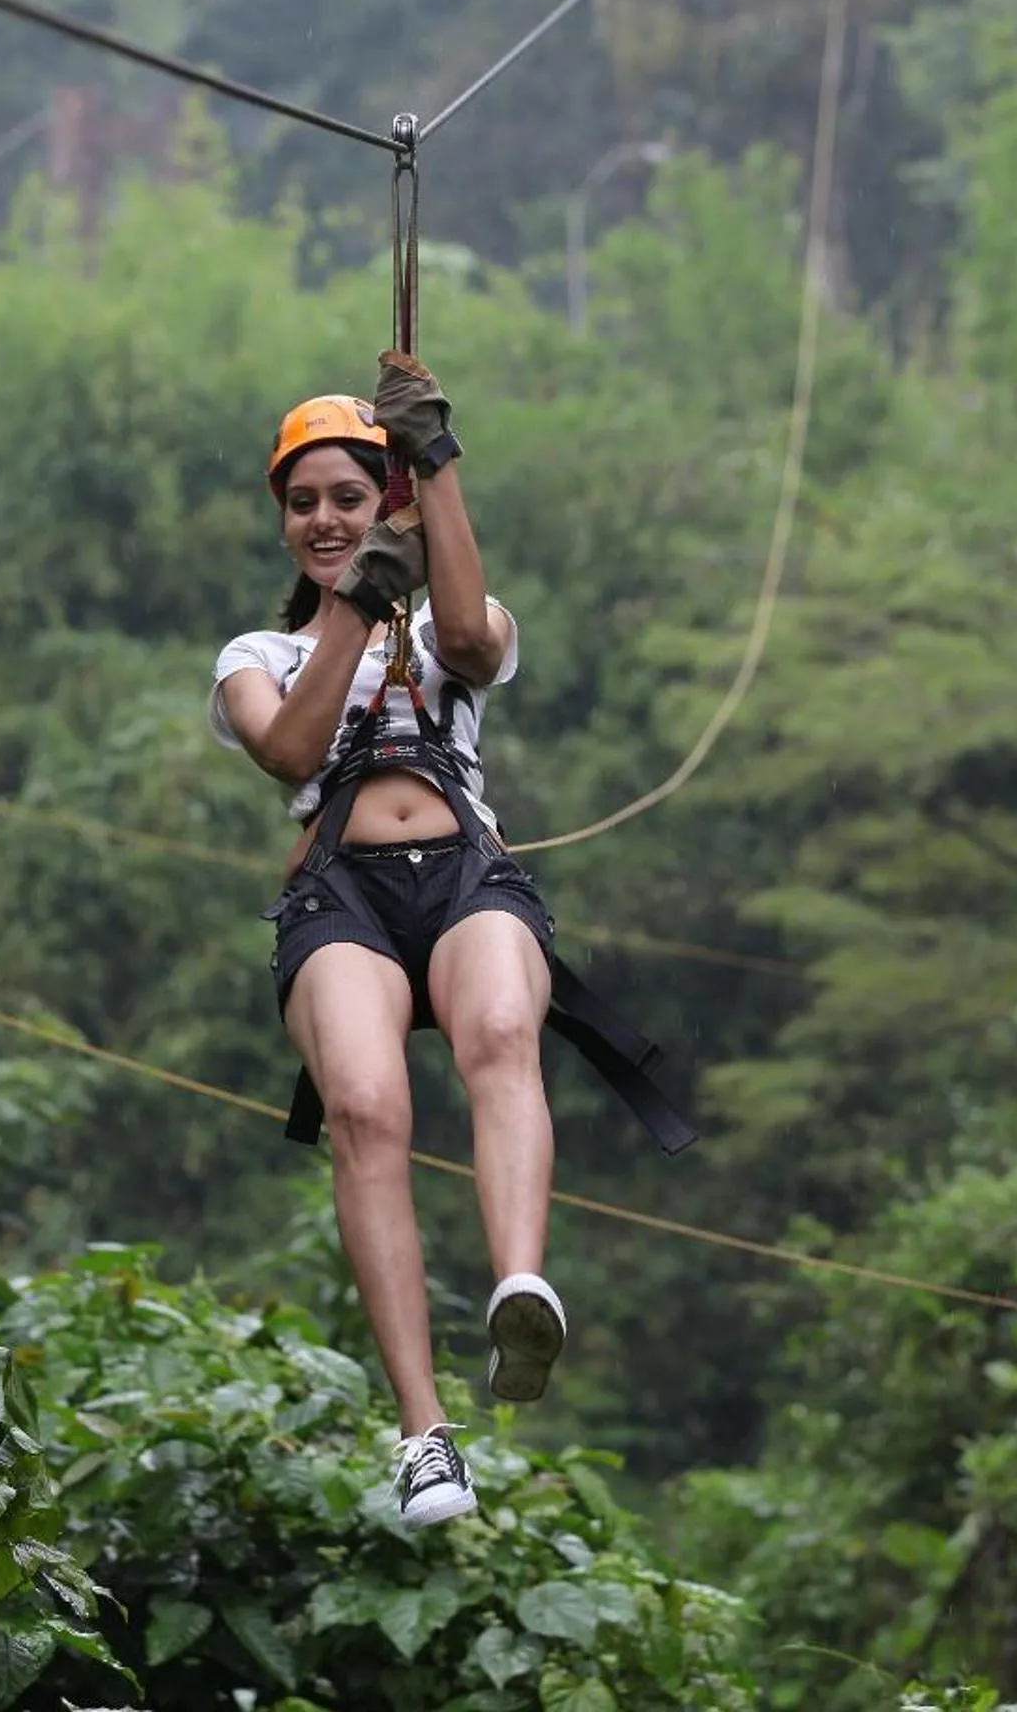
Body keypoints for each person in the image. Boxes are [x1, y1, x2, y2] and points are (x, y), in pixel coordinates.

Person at [207, 353, 572, 1530]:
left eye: (350, 498)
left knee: (504, 1028)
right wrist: (358, 604)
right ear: (283, 524)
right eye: (304, 501)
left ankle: (520, 1282)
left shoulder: (458, 619)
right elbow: (292, 752)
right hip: (342, 899)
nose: (324, 518)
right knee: (367, 1109)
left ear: (388, 503)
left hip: (464, 869)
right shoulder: (255, 662)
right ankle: (425, 1433)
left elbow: (467, 638)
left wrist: (440, 469)